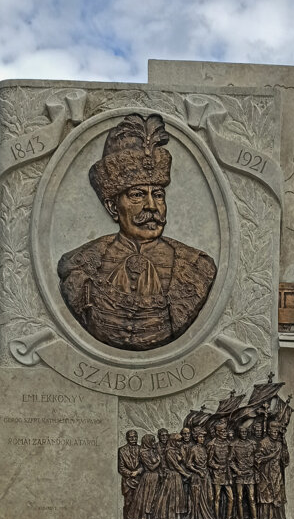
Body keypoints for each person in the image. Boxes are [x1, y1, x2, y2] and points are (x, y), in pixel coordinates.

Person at [57, 113, 217, 350]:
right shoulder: (78, 266)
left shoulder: (197, 267)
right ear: (112, 207)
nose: (152, 206)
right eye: (137, 195)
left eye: (158, 195)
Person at [255, 420, 289, 519]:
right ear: (269, 431)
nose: (275, 434)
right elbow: (258, 460)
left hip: (277, 473)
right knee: (267, 496)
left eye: (277, 432)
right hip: (266, 473)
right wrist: (271, 456)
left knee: (278, 494)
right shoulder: (263, 443)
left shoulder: (279, 444)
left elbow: (285, 460)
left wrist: (285, 445)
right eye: (273, 432)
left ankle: (279, 518)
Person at [127, 434, 162, 519]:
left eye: (154, 441)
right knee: (145, 498)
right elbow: (151, 467)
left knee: (153, 499)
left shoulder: (153, 451)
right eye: (152, 441)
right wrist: (159, 461)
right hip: (148, 478)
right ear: (147, 442)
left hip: (155, 477)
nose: (154, 443)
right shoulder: (143, 453)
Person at [155, 433, 189, 519]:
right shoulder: (169, 451)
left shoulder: (176, 450)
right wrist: (185, 474)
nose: (180, 443)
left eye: (180, 441)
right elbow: (175, 465)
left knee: (177, 498)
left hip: (177, 476)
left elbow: (182, 461)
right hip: (172, 476)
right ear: (173, 441)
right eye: (178, 441)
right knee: (171, 498)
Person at [186, 427, 217, 519]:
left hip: (206, 475)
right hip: (197, 476)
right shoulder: (193, 449)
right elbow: (188, 464)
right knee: (197, 498)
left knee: (209, 497)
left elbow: (208, 462)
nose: (202, 439)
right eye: (200, 437)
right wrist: (198, 471)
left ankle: (208, 517)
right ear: (196, 438)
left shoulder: (204, 448)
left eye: (203, 437)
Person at [230, 424, 258, 519]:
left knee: (252, 498)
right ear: (239, 433)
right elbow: (231, 461)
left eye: (245, 432)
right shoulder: (234, 445)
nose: (244, 434)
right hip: (240, 475)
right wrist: (236, 470)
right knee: (240, 498)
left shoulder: (252, 444)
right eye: (242, 432)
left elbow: (257, 458)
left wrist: (255, 470)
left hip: (250, 474)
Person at [207, 420, 233, 519]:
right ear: (217, 432)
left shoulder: (228, 443)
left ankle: (228, 518)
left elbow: (230, 458)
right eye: (222, 431)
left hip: (226, 474)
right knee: (217, 497)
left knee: (231, 497)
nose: (225, 433)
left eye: (225, 431)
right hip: (217, 474)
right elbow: (209, 461)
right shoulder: (212, 444)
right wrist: (217, 466)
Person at [117, 429, 142, 519]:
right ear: (127, 438)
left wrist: (138, 471)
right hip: (127, 480)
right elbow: (121, 467)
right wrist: (130, 474)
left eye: (135, 437)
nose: (133, 439)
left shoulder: (141, 449)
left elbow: (145, 464)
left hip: (140, 479)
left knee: (139, 501)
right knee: (128, 502)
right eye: (131, 437)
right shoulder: (122, 450)